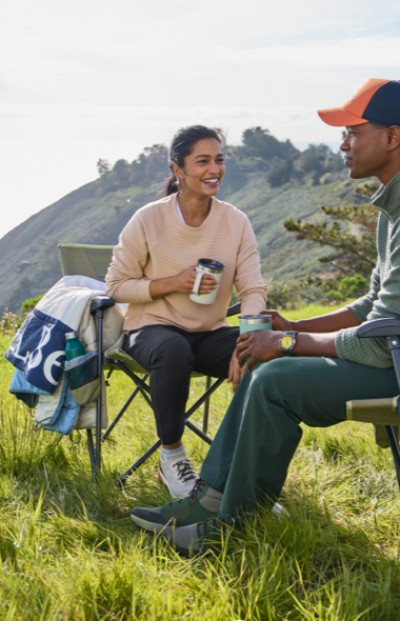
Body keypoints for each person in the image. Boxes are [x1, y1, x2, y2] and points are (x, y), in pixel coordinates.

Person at [130, 78, 400, 556]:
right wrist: (293, 327)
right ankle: (205, 505)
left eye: (353, 132)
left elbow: (382, 336)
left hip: (392, 363)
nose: (342, 144)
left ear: (392, 137)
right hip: (388, 353)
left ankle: (229, 528)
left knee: (276, 379)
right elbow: (371, 305)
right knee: (268, 370)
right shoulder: (390, 213)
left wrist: (288, 345)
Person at [105, 124, 266, 499]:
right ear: (178, 170)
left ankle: (243, 473)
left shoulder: (235, 222)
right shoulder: (149, 218)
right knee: (173, 349)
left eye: (220, 160)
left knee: (266, 355)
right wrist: (172, 283)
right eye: (203, 161)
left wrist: (248, 340)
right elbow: (115, 286)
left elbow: (253, 289)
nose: (214, 169)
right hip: (151, 329)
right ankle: (172, 459)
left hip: (208, 332)